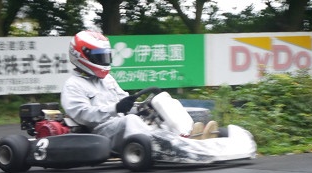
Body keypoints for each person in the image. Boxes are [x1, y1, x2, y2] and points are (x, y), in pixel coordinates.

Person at [60, 31, 216, 151]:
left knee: (161, 104)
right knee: (130, 120)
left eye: (105, 56)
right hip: (100, 133)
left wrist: (142, 107)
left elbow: (124, 102)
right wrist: (115, 108)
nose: (104, 60)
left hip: (121, 125)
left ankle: (189, 134)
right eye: (99, 56)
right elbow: (82, 114)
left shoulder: (107, 80)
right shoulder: (73, 85)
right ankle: (170, 146)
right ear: (81, 55)